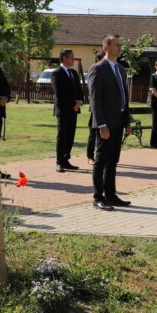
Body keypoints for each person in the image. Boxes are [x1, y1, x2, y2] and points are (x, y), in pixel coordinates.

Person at [87, 35, 132, 211]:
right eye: (116, 45)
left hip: (119, 122)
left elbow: (124, 97)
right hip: (105, 124)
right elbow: (95, 100)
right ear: (105, 46)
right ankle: (98, 197)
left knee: (113, 161)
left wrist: (127, 121)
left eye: (120, 45)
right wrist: (101, 125)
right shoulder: (98, 69)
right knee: (101, 161)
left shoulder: (120, 69)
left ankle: (111, 195)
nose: (119, 48)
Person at [51, 49, 84, 173]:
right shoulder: (56, 73)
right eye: (72, 57)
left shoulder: (74, 73)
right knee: (62, 135)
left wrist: (79, 102)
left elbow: (79, 91)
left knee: (70, 135)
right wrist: (73, 104)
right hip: (63, 109)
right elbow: (59, 93)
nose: (73, 59)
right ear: (64, 58)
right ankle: (59, 162)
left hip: (74, 110)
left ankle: (66, 159)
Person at [85, 49, 105, 165]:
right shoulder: (95, 69)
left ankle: (101, 156)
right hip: (96, 108)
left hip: (106, 108)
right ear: (98, 59)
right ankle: (90, 156)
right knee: (93, 132)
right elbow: (92, 92)